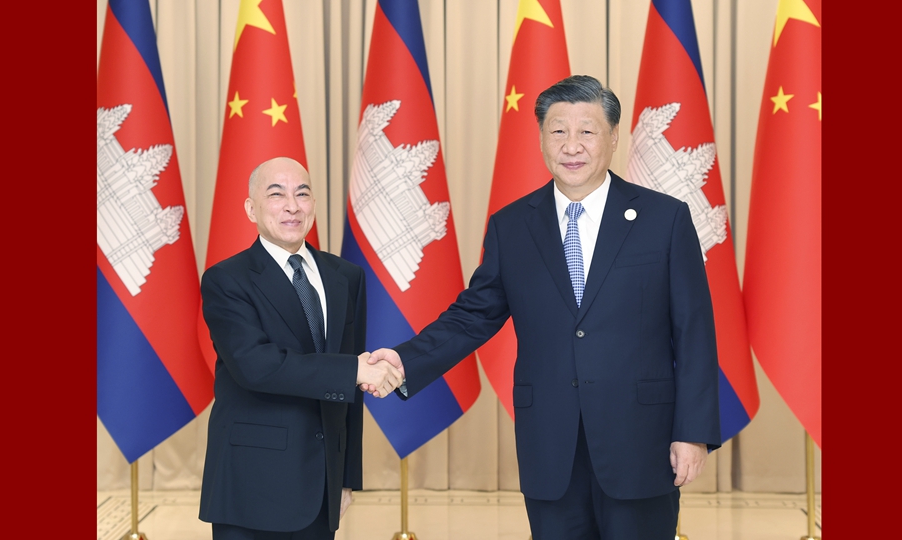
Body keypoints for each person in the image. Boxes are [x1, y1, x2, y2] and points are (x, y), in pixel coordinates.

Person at [368, 75, 721, 540]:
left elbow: (694, 332)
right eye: (558, 131)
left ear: (614, 137)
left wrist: (693, 432)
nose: (571, 146)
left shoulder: (664, 218)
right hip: (550, 445)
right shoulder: (513, 225)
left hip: (641, 441)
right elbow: (473, 315)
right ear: (541, 138)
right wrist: (404, 360)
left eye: (587, 131)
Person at [198, 157, 404, 540]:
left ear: (313, 205)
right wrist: (354, 370)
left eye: (302, 194)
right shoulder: (226, 279)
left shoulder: (346, 277)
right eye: (277, 194)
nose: (292, 206)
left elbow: (349, 394)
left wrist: (346, 477)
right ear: (251, 209)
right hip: (251, 485)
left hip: (321, 486)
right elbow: (256, 366)